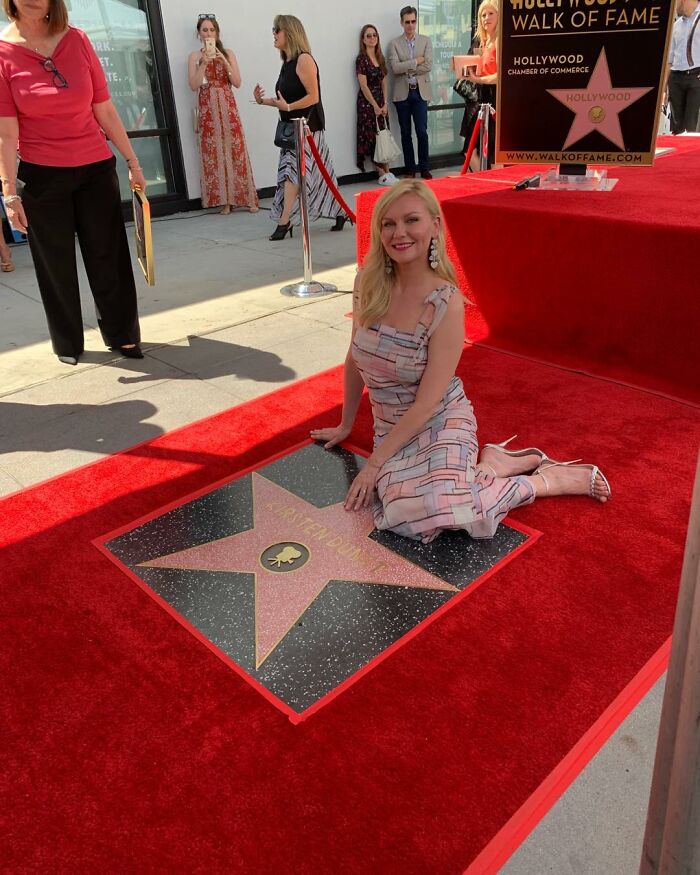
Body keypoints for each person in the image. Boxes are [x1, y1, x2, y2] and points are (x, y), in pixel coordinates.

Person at [310, 180, 611, 543]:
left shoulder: (445, 302)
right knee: (403, 515)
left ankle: (543, 482)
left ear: (435, 225)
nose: (399, 233)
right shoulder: (366, 283)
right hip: (391, 429)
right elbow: (355, 357)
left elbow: (426, 405)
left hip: (439, 420)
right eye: (388, 223)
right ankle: (491, 465)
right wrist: (345, 425)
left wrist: (373, 465)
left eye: (411, 220)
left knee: (444, 509)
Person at [0, 0, 144, 366]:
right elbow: (6, 133)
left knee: (108, 256)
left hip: (96, 167)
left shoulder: (78, 40)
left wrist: (132, 160)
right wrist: (9, 192)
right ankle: (68, 342)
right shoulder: (3, 54)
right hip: (42, 176)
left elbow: (104, 108)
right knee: (55, 265)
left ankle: (122, 336)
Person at [253, 14, 349, 241]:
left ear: (290, 32)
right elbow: (283, 101)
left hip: (308, 130)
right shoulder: (287, 63)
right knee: (319, 176)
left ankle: (284, 221)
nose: (274, 34)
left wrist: (288, 106)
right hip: (291, 130)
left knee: (292, 174)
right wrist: (262, 101)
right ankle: (340, 211)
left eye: (277, 30)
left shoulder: (304, 60)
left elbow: (313, 97)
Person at [188, 14, 258, 215]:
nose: (208, 33)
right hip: (208, 110)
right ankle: (225, 201)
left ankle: (247, 198)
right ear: (199, 33)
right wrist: (203, 64)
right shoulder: (194, 56)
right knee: (214, 153)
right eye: (204, 30)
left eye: (212, 30)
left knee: (236, 150)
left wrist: (223, 61)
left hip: (228, 108)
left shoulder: (228, 53)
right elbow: (193, 85)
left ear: (217, 32)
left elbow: (237, 82)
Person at [387, 6, 433, 180]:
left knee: (422, 131)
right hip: (402, 94)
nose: (411, 25)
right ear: (401, 23)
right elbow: (395, 68)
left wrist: (407, 66)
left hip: (420, 93)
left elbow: (428, 65)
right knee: (405, 133)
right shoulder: (394, 44)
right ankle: (410, 169)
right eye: (407, 22)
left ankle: (425, 167)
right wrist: (415, 61)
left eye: (413, 21)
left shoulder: (426, 41)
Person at [356, 24, 397, 186]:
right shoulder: (361, 59)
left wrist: (385, 103)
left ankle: (388, 172)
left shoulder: (380, 58)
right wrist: (374, 104)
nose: (372, 38)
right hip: (367, 104)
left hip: (381, 102)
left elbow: (384, 82)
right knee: (373, 137)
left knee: (383, 137)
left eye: (374, 35)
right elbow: (363, 85)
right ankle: (381, 173)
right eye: (368, 36)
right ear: (363, 40)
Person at [463, 0, 499, 172]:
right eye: (483, 15)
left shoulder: (500, 42)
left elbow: (502, 76)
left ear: (499, 15)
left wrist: (480, 80)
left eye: (491, 13)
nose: (486, 18)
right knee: (469, 150)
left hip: (495, 99)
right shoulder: (481, 42)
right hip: (477, 99)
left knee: (494, 151)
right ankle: (484, 182)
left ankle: (497, 187)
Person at [666, 0, 700, 134]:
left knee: (691, 125)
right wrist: (663, 89)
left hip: (696, 75)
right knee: (676, 126)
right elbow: (670, 59)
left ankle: (692, 154)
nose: (674, 5)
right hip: (675, 77)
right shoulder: (676, 25)